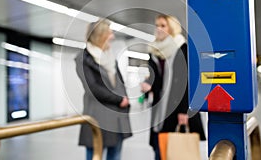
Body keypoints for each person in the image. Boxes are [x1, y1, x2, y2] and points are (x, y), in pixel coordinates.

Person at [141, 14, 206, 160]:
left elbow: (186, 82)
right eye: (157, 25)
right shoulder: (154, 51)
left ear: (172, 28)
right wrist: (149, 85)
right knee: (160, 146)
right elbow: (157, 80)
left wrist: (184, 111)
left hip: (177, 107)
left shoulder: (182, 49)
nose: (158, 29)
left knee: (175, 150)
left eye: (163, 25)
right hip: (159, 108)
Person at [75, 19, 132, 160]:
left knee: (115, 154)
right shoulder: (83, 58)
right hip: (98, 115)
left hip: (117, 115)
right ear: (100, 35)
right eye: (109, 33)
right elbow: (92, 88)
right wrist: (120, 99)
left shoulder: (111, 58)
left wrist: (125, 99)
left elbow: (120, 83)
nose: (112, 37)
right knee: (95, 153)